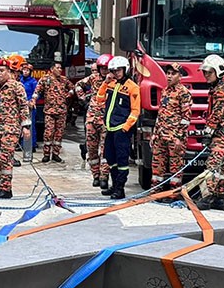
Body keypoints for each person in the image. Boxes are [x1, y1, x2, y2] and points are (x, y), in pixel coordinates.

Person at [0, 58, 31, 199]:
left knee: (5, 157)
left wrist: (26, 126)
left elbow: (23, 107)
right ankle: (1, 183)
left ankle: (6, 188)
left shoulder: (16, 87)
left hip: (11, 129)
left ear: (9, 72)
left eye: (2, 71)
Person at [195, 55, 224, 211]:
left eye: (209, 72)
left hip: (221, 133)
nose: (206, 75)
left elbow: (217, 113)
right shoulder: (216, 89)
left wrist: (208, 132)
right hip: (223, 133)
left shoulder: (221, 90)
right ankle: (220, 199)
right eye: (204, 72)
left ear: (218, 72)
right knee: (222, 168)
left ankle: (205, 199)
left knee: (212, 166)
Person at [97, 56, 140, 200]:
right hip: (110, 128)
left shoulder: (133, 87)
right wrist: (105, 82)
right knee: (110, 159)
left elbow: (135, 111)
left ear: (125, 69)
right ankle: (114, 185)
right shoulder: (111, 84)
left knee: (122, 161)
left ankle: (120, 189)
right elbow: (99, 99)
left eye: (119, 70)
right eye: (114, 71)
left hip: (122, 129)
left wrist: (126, 127)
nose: (116, 73)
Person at [150, 63, 192, 197]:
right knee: (157, 165)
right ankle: (156, 192)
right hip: (161, 136)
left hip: (175, 137)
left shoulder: (184, 93)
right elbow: (160, 114)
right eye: (168, 73)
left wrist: (179, 138)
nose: (169, 76)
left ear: (180, 76)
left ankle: (174, 194)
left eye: (173, 73)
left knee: (175, 167)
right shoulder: (165, 91)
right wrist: (154, 134)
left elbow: (186, 118)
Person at [75, 54, 111, 189]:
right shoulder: (93, 78)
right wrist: (83, 99)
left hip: (105, 121)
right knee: (91, 149)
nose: (103, 71)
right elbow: (78, 85)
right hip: (91, 119)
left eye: (106, 68)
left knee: (105, 150)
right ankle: (95, 175)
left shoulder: (114, 81)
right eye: (101, 68)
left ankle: (104, 176)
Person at [31, 62, 74, 163]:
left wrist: (68, 95)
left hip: (62, 111)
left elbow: (72, 88)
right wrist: (33, 100)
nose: (60, 70)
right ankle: (46, 154)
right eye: (57, 68)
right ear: (52, 69)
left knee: (59, 134)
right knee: (48, 133)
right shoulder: (45, 79)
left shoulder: (64, 80)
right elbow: (37, 91)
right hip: (49, 111)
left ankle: (56, 154)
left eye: (60, 68)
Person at [19, 63, 38, 156]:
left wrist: (31, 101)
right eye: (24, 70)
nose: (25, 72)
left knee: (30, 126)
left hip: (29, 107)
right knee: (20, 126)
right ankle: (21, 144)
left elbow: (36, 93)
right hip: (21, 106)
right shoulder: (20, 81)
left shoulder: (33, 82)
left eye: (27, 70)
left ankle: (32, 145)